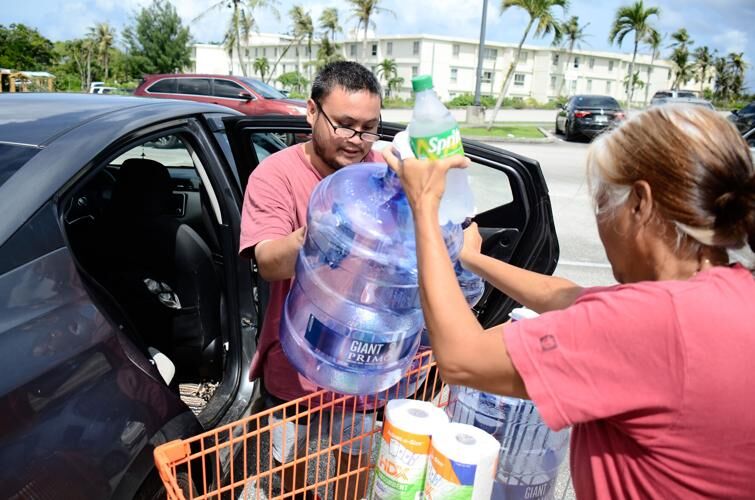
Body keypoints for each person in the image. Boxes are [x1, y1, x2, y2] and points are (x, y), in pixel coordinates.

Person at [383, 105, 755, 499]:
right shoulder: (723, 295)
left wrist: (425, 206)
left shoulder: (652, 322)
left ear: (640, 204)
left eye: (602, 201)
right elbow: (564, 297)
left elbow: (462, 358)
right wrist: (471, 257)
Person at [239, 61, 383, 499]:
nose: (358, 141)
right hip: (297, 358)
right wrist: (319, 233)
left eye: (370, 128)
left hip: (364, 356)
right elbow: (268, 261)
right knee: (290, 461)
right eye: (345, 126)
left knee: (355, 460)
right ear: (311, 112)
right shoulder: (276, 175)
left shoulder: (382, 171)